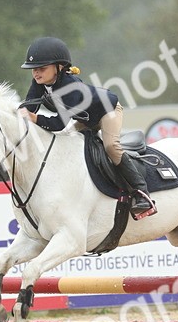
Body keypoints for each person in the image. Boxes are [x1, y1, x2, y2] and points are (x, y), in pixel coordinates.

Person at [17, 36, 156, 218]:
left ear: (59, 67)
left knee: (111, 147)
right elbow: (29, 107)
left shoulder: (70, 86)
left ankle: (142, 193)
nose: (36, 73)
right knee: (64, 143)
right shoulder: (39, 83)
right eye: (33, 69)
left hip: (108, 111)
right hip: (86, 118)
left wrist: (34, 118)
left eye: (41, 68)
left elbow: (58, 123)